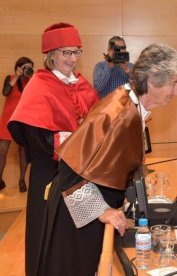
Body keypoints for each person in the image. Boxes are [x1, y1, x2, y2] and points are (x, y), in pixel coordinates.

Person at [38, 43, 177, 276]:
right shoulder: (117, 111)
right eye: (173, 83)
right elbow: (68, 167)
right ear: (151, 81)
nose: (176, 92)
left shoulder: (131, 105)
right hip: (75, 211)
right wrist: (101, 211)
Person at [8, 23, 99, 276]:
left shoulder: (81, 83)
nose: (72, 59)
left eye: (76, 52)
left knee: (78, 242)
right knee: (52, 243)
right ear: (51, 55)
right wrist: (72, 140)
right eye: (66, 53)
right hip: (50, 176)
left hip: (80, 175)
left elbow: (97, 119)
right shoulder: (39, 84)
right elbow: (32, 135)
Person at [0, 57, 34, 192]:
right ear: (18, 67)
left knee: (23, 152)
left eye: (30, 67)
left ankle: (21, 180)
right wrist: (17, 76)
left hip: (23, 121)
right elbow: (5, 92)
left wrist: (32, 77)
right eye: (25, 67)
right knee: (2, 151)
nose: (27, 70)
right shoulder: (10, 78)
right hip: (7, 121)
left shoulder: (32, 81)